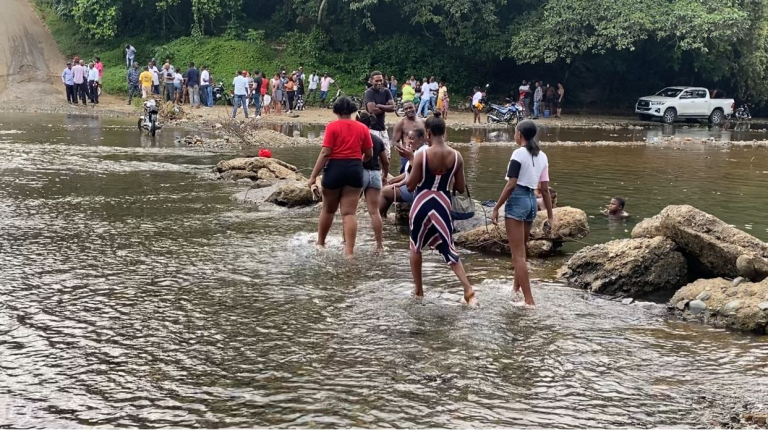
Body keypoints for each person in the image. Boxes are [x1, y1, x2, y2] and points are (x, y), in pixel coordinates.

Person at [404, 112, 475, 304]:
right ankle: (467, 288)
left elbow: (410, 186)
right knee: (448, 246)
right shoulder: (457, 156)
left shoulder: (422, 155)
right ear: (444, 132)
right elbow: (460, 187)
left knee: (416, 246)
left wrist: (411, 161)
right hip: (443, 203)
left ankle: (419, 291)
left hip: (422, 202)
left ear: (427, 132)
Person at [491, 120, 553, 307]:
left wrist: (496, 207)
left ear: (520, 134)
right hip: (531, 202)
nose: (514, 135)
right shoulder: (542, 156)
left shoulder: (518, 154)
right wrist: (550, 216)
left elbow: (511, 184)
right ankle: (516, 289)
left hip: (518, 200)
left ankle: (529, 301)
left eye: (515, 132)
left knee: (517, 255)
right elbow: (545, 190)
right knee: (522, 252)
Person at [307, 97, 373, 258]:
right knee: (349, 213)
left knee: (328, 209)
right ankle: (349, 253)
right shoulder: (362, 128)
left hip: (335, 168)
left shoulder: (332, 126)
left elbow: (325, 153)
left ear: (336, 110)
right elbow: (369, 153)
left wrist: (313, 176)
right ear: (352, 110)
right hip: (355, 169)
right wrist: (358, 162)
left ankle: (321, 243)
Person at [356, 111, 390, 252]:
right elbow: (385, 162)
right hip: (375, 174)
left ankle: (346, 240)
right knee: (374, 212)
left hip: (360, 173)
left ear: (358, 122)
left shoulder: (357, 138)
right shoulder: (377, 139)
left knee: (349, 211)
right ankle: (379, 246)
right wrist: (385, 176)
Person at [379, 128, 427, 215]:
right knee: (389, 184)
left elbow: (416, 174)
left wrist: (410, 158)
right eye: (408, 138)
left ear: (420, 139)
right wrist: (394, 181)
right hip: (411, 185)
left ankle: (378, 217)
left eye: (412, 138)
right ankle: (384, 216)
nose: (409, 141)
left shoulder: (422, 152)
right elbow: (408, 173)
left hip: (415, 190)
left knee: (383, 192)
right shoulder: (416, 151)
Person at [363, 71, 395, 159]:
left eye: (381, 80)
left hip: (382, 128)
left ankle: (384, 169)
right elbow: (372, 110)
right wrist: (386, 106)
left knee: (387, 155)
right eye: (376, 81)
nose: (379, 83)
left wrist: (380, 105)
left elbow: (393, 107)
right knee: (373, 156)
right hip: (372, 129)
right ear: (371, 81)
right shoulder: (369, 92)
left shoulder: (386, 91)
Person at [392, 101, 425, 173]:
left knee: (421, 174)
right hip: (407, 155)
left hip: (421, 153)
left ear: (415, 107)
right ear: (404, 111)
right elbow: (394, 142)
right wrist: (404, 149)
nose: (409, 110)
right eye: (406, 109)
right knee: (406, 174)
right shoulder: (401, 123)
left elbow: (425, 138)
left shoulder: (422, 121)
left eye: (410, 107)